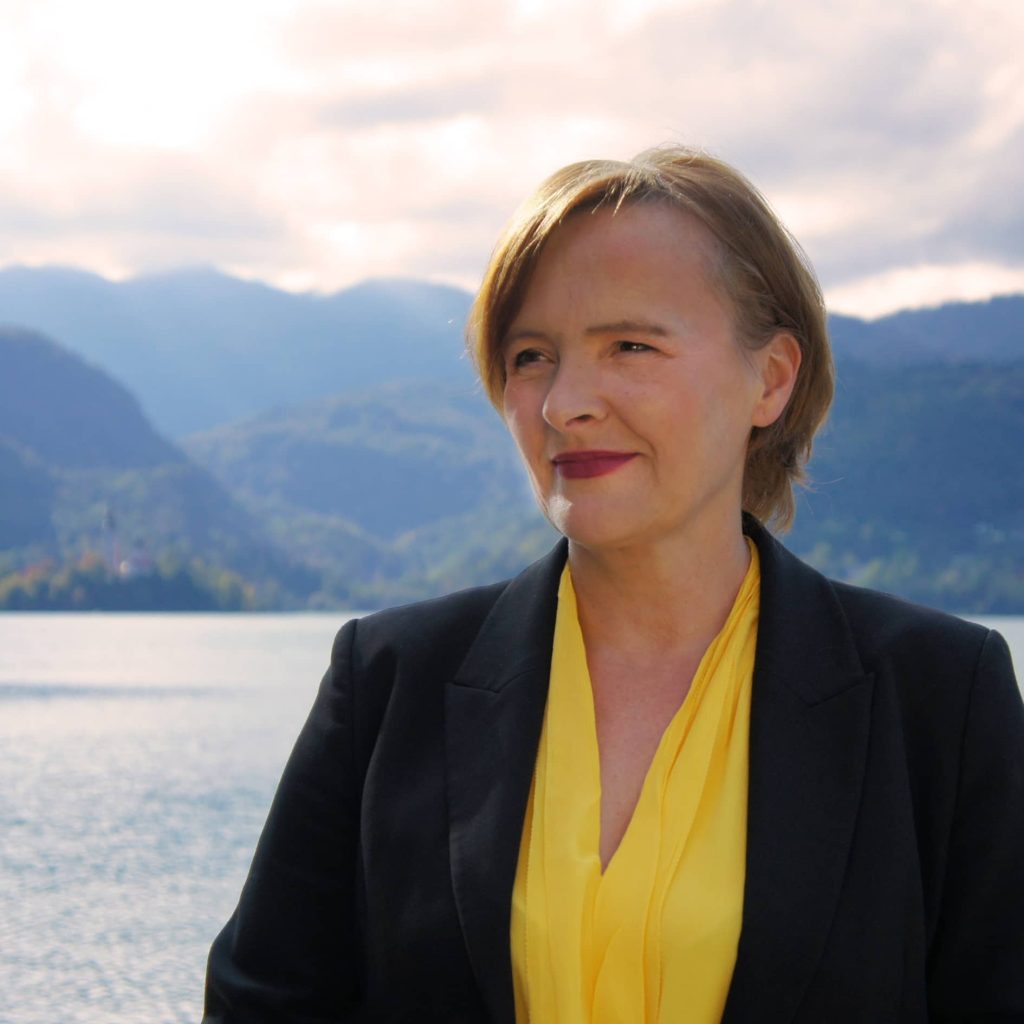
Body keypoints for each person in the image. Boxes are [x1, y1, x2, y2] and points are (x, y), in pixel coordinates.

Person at [203, 147, 1024, 1023]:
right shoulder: (385, 683)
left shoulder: (940, 698)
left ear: (771, 378)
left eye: (630, 346)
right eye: (530, 357)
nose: (564, 403)